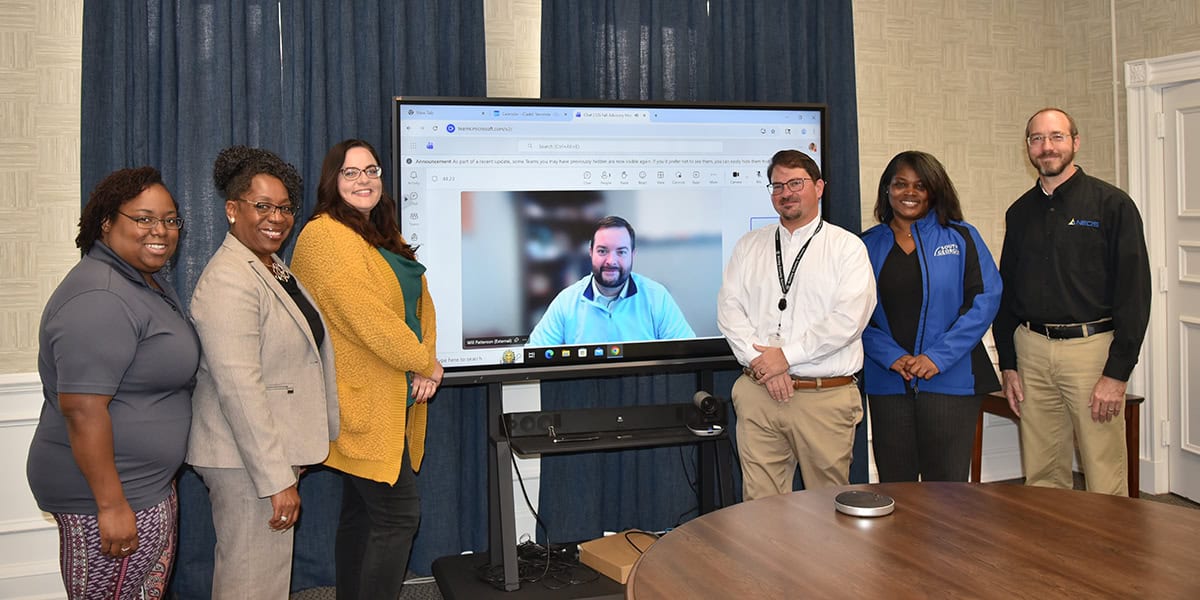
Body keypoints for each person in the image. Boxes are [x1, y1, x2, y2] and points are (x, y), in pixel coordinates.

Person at [26, 167, 199, 599]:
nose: (160, 230)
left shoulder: (138, 281)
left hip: (143, 486)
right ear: (107, 222)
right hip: (108, 497)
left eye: (170, 219)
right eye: (143, 218)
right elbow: (84, 411)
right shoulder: (100, 296)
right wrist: (111, 505)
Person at [291, 139, 442, 599]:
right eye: (351, 172)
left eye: (371, 170)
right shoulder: (322, 236)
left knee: (362, 513)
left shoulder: (377, 234)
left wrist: (423, 364)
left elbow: (423, 305)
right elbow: (366, 318)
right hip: (362, 403)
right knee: (398, 517)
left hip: (393, 395)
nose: (364, 180)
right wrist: (424, 362)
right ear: (332, 181)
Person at [186, 146, 339, 598]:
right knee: (251, 583)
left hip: (262, 455)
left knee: (265, 579)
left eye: (285, 207)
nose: (277, 217)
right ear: (233, 210)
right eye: (263, 206)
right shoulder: (229, 279)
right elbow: (241, 390)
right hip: (244, 463)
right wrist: (277, 480)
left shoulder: (270, 267)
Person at [994, 108, 1152, 496]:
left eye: (1056, 137)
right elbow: (1008, 292)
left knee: (1102, 470)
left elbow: (1135, 294)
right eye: (1037, 139)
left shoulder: (1112, 206)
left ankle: (1107, 555)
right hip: (1031, 350)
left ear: (1075, 142)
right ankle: (1053, 556)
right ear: (1028, 148)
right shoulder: (1020, 212)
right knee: (1042, 473)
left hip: (1091, 352)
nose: (1047, 147)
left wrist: (1117, 374)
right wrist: (1009, 365)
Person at [717, 149, 876, 500]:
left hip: (824, 397)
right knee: (759, 509)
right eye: (777, 185)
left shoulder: (847, 248)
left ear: (819, 187)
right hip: (758, 392)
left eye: (795, 183)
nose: (785, 192)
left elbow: (849, 319)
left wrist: (785, 356)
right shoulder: (749, 246)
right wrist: (767, 368)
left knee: (829, 508)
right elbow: (729, 311)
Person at [860, 151, 1002, 482]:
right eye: (900, 184)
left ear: (934, 191)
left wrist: (936, 357)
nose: (909, 192)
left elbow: (985, 299)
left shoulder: (962, 236)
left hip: (950, 378)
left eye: (920, 185)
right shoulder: (864, 245)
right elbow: (853, 315)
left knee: (947, 491)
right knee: (896, 486)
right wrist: (892, 356)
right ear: (887, 190)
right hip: (888, 380)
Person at [527, 216, 694, 346]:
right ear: (591, 252)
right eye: (602, 251)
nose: (611, 261)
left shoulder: (657, 297)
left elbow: (687, 351)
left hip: (643, 388)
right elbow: (534, 354)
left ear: (632, 254)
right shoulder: (567, 301)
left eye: (621, 252)